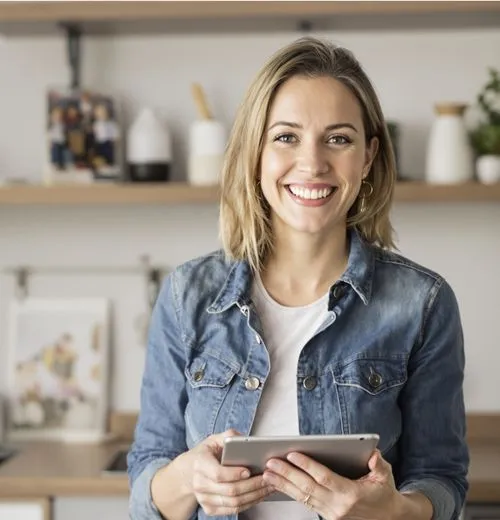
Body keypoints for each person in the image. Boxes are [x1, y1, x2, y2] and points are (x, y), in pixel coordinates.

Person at [128, 37, 469, 520]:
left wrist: (394, 510)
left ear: (368, 157)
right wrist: (189, 479)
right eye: (286, 137)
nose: (312, 163)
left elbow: (444, 482)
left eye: (339, 138)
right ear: (256, 152)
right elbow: (147, 479)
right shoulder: (188, 296)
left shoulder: (423, 303)